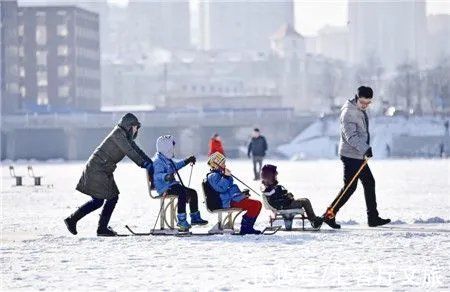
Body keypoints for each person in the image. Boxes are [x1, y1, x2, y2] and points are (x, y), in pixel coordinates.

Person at [64, 113, 154, 236]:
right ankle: (76, 221)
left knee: (109, 198)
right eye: (135, 127)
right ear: (129, 126)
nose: (137, 130)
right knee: (100, 200)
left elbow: (137, 150)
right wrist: (143, 164)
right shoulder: (118, 135)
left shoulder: (125, 137)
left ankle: (97, 227)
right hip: (97, 168)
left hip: (104, 169)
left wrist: (150, 162)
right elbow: (129, 152)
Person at [324, 86, 390, 229]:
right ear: (356, 98)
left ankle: (373, 218)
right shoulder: (349, 112)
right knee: (349, 188)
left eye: (368, 103)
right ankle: (328, 215)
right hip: (350, 155)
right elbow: (351, 137)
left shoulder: (358, 109)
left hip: (358, 155)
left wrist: (364, 150)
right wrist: (365, 148)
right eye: (362, 102)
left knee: (369, 182)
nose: (365, 105)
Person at [152, 135, 208, 231]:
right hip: (164, 188)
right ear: (166, 148)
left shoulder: (167, 159)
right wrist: (166, 176)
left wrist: (187, 160)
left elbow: (176, 166)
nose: (173, 149)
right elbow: (157, 175)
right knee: (182, 192)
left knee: (192, 192)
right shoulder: (158, 161)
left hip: (172, 186)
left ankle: (195, 217)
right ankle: (181, 221)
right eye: (172, 147)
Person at [207, 152, 262, 235]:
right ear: (216, 164)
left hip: (231, 198)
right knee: (255, 204)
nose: (224, 165)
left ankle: (247, 227)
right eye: (222, 163)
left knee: (257, 203)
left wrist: (242, 194)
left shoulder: (219, 174)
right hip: (227, 201)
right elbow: (221, 189)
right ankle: (246, 228)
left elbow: (228, 186)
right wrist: (225, 176)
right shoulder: (213, 176)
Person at [260, 164, 323, 229]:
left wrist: (286, 195)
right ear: (270, 175)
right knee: (305, 201)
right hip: (284, 206)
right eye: (275, 174)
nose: (276, 175)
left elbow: (277, 198)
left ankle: (313, 220)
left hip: (283, 205)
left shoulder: (267, 186)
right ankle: (314, 221)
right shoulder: (270, 188)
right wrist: (288, 198)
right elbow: (277, 201)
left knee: (304, 200)